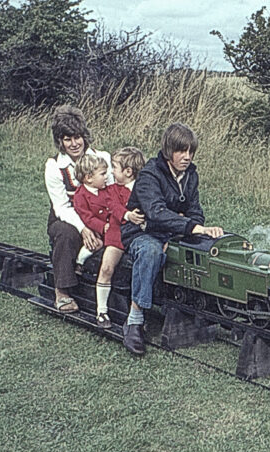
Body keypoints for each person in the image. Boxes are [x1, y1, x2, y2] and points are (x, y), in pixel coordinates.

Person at [120, 122, 224, 355]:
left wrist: (194, 226)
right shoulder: (149, 174)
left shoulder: (191, 175)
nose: (187, 157)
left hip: (171, 232)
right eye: (181, 151)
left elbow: (194, 210)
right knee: (151, 252)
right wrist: (190, 226)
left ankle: (196, 307)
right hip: (142, 232)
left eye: (190, 151)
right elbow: (155, 212)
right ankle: (134, 320)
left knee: (204, 249)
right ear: (169, 151)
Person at [44, 105, 110, 313]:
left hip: (98, 214)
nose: (74, 144)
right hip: (68, 218)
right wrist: (84, 228)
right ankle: (62, 291)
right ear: (60, 142)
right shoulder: (55, 167)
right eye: (67, 139)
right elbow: (61, 207)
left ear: (84, 136)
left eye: (77, 137)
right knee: (66, 234)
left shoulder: (102, 158)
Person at [72, 148, 146, 328]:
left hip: (139, 235)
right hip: (117, 234)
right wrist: (127, 215)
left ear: (128, 172)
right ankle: (102, 311)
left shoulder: (144, 188)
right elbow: (112, 206)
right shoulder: (112, 190)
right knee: (106, 268)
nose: (111, 173)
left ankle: (139, 310)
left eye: (114, 168)